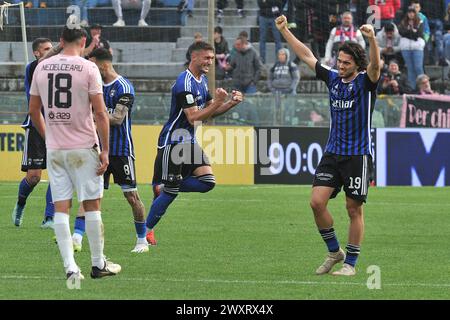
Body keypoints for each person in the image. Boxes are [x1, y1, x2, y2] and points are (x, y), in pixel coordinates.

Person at [276, 15, 381, 276]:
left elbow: (377, 67)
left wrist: (372, 40)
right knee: (316, 202)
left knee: (353, 209)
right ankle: (335, 251)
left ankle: (351, 265)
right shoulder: (333, 78)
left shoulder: (366, 83)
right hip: (332, 153)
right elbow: (306, 54)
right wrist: (284, 31)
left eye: (346, 63)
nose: (341, 65)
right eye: (339, 61)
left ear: (357, 65)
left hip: (358, 154)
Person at [28, 26, 121, 280]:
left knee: (61, 208)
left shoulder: (42, 67)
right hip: (83, 146)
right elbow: (101, 113)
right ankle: (97, 263)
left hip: (56, 149)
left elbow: (33, 110)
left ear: (60, 40)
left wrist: (49, 136)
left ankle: (70, 268)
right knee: (91, 205)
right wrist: (105, 151)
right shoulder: (88, 67)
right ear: (83, 41)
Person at [145, 41, 243, 243]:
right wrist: (217, 102)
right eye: (207, 58)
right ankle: (144, 232)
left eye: (212, 58)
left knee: (207, 182)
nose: (210, 62)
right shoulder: (185, 83)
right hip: (173, 141)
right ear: (194, 57)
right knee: (171, 193)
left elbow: (208, 113)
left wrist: (230, 104)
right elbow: (193, 117)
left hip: (188, 139)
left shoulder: (201, 80)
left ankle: (166, 186)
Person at [66, 47, 151, 254]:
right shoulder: (93, 86)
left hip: (121, 150)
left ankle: (142, 240)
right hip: (96, 149)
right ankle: (76, 238)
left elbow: (118, 118)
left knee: (131, 196)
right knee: (90, 195)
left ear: (103, 64)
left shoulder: (123, 87)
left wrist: (92, 119)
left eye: (93, 65)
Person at [12, 38, 55, 229]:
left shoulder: (59, 67)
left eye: (52, 48)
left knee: (58, 174)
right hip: (37, 126)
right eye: (46, 49)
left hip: (58, 126)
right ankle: (20, 204)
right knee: (34, 176)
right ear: (37, 53)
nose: (50, 51)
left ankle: (49, 218)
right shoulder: (32, 68)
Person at [398, 6, 425, 90]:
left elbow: (419, 34)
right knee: (410, 69)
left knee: (418, 67)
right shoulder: (403, 23)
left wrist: (409, 33)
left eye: (413, 12)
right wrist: (412, 33)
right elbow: (401, 32)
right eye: (409, 12)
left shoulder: (420, 22)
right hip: (406, 48)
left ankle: (423, 87)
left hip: (417, 47)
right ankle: (412, 88)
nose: (411, 14)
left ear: (415, 13)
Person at [257, 0, 283, 64]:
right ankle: (262, 60)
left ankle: (279, 61)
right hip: (263, 16)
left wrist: (267, 2)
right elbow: (260, 4)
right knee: (262, 39)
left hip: (275, 16)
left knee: (277, 39)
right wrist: (272, 3)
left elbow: (279, 3)